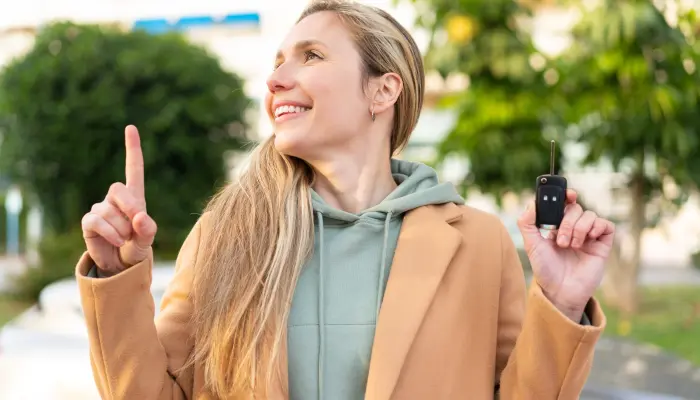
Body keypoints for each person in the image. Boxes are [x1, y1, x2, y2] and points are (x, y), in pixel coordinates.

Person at [76, 1, 615, 399]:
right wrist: (114, 279)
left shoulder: (478, 242)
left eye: (310, 56)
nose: (276, 78)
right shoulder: (228, 233)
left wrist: (562, 303)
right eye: (278, 61)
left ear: (383, 90)